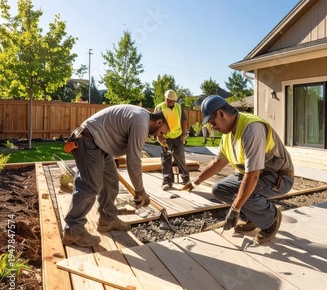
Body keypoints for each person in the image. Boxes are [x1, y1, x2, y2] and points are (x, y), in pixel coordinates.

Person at [182, 95, 294, 244]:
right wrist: (196, 182)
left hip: (279, 176)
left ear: (221, 114)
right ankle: (255, 218)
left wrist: (235, 209)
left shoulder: (252, 129)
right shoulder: (228, 134)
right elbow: (218, 161)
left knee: (246, 194)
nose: (212, 127)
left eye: (212, 122)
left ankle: (271, 219)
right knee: (219, 189)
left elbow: (252, 176)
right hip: (259, 175)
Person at [62, 105, 177, 247]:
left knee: (111, 182)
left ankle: (107, 218)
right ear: (159, 122)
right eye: (162, 132)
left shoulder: (142, 118)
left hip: (99, 144)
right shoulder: (140, 123)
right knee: (90, 186)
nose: (160, 136)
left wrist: (139, 189)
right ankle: (73, 230)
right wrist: (140, 190)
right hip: (88, 140)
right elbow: (133, 160)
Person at [155, 89, 190, 190]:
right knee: (166, 159)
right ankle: (167, 181)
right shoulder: (159, 107)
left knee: (180, 158)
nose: (170, 102)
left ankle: (186, 179)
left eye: (172, 100)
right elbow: (155, 123)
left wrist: (184, 134)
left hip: (177, 137)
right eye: (168, 100)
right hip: (165, 137)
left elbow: (183, 121)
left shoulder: (179, 107)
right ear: (165, 98)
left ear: (175, 100)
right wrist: (159, 136)